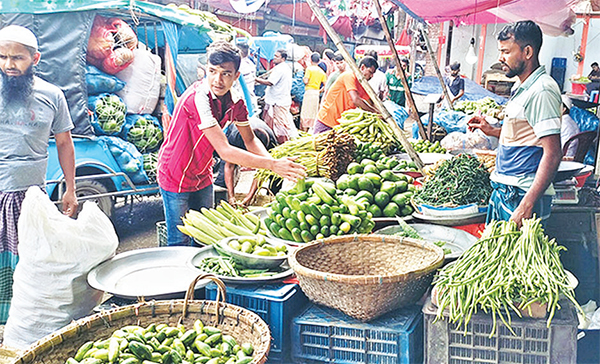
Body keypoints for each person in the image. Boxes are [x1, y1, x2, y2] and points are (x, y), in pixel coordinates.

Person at [157, 41, 306, 246]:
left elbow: (250, 139)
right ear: (205, 71)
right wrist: (272, 165)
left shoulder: (236, 102)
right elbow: (225, 151)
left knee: (204, 239)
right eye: (212, 71)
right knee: (179, 240)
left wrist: (275, 164)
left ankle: (206, 278)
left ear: (236, 75)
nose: (217, 80)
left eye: (226, 73)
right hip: (176, 173)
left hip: (202, 173)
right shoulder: (198, 99)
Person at [0, 25, 78, 322]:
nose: (9, 65)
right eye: (3, 57)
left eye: (17, 58)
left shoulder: (52, 95)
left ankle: (24, 320)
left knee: (31, 260)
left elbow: (64, 143)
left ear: (35, 58)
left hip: (32, 195)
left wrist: (70, 188)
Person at [467, 20, 562, 227]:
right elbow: (527, 136)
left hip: (523, 193)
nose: (500, 57)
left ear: (527, 52)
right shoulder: (522, 86)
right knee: (497, 256)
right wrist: (491, 131)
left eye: (506, 51)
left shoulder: (542, 90)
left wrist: (527, 204)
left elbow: (553, 152)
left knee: (519, 258)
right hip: (507, 189)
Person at [214, 118, 281, 206]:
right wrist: (231, 196)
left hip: (260, 132)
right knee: (222, 180)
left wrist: (250, 196)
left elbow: (261, 171)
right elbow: (229, 166)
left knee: (276, 173)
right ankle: (224, 198)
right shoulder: (235, 139)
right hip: (241, 129)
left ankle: (273, 200)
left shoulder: (270, 144)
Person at [313, 56, 380, 134]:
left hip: (341, 126)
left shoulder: (361, 84)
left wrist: (381, 115)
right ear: (362, 67)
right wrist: (374, 112)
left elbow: (371, 102)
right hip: (327, 120)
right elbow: (356, 100)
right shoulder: (349, 76)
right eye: (370, 72)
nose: (372, 76)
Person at [255, 49, 298, 143]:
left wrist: (255, 79)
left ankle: (282, 143)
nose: (274, 58)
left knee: (280, 125)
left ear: (283, 58)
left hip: (278, 101)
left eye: (277, 56)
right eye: (274, 55)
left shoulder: (280, 69)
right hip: (279, 99)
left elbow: (270, 82)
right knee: (276, 123)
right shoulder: (283, 68)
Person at [300, 52, 327, 131]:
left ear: (311, 60)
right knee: (313, 113)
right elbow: (326, 85)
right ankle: (311, 131)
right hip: (316, 93)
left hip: (309, 92)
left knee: (305, 113)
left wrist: (303, 78)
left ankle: (304, 131)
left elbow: (306, 81)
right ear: (319, 61)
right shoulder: (322, 72)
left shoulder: (309, 69)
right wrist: (320, 91)